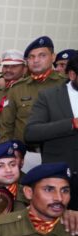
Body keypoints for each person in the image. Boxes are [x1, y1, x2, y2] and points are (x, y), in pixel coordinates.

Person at [25, 55, 78, 209]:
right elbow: (31, 133)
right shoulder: (49, 96)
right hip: (60, 178)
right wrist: (71, 124)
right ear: (72, 75)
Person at [0, 36, 66, 147]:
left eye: (42, 55)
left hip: (58, 151)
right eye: (31, 57)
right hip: (24, 151)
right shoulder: (17, 88)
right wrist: (5, 151)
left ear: (53, 57)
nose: (36, 60)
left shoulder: (66, 85)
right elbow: (6, 125)